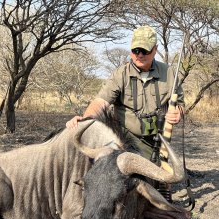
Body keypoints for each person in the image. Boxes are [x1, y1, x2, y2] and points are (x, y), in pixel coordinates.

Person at [66, 26, 184, 200]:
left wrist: (178, 112)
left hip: (157, 139)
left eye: (144, 50)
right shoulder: (121, 74)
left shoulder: (169, 73)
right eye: (135, 50)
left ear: (155, 50)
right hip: (126, 139)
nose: (139, 55)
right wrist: (84, 120)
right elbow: (101, 102)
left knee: (161, 177)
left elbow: (180, 103)